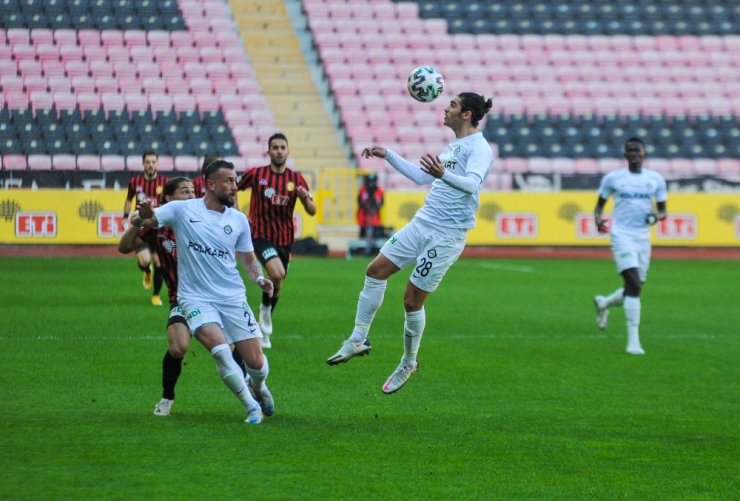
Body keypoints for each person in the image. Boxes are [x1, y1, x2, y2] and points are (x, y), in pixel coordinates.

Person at [326, 92, 494, 394]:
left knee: (411, 300)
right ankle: (358, 338)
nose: (446, 108)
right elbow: (421, 177)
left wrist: (443, 173)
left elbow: (472, 185)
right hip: (423, 222)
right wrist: (387, 154)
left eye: (453, 105)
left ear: (467, 114)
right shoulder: (454, 145)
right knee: (375, 271)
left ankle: (409, 362)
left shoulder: (480, 148)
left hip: (447, 235)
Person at [132, 159, 275, 424]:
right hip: (194, 298)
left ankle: (260, 388)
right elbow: (148, 219)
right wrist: (142, 213)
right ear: (211, 184)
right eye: (229, 181)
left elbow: (248, 259)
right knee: (220, 351)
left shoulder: (239, 220)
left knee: (255, 362)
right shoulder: (182, 209)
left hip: (232, 297)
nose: (235, 187)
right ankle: (251, 407)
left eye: (235, 181)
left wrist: (260, 279)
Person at [118, 177, 195, 416]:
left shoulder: (205, 219)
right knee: (178, 347)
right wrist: (139, 220)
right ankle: (167, 396)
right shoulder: (160, 227)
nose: (191, 196)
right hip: (181, 297)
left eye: (193, 191)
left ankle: (255, 390)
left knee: (237, 348)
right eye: (185, 192)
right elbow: (125, 246)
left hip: (214, 297)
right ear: (168, 199)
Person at [236, 132, 317, 348]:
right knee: (276, 273)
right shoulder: (256, 174)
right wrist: (236, 211)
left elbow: (312, 210)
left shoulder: (296, 179)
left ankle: (263, 328)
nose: (279, 151)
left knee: (278, 283)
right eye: (275, 147)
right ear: (268, 151)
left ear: (287, 151)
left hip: (284, 239)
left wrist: (304, 198)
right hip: (260, 236)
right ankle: (264, 310)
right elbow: (232, 187)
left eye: (282, 147)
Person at [593, 137, 667, 355]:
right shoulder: (614, 178)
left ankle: (604, 303)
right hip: (621, 235)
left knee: (634, 287)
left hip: (642, 238)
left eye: (638, 151)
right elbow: (599, 206)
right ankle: (633, 341)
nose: (634, 154)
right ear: (625, 156)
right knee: (633, 281)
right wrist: (598, 220)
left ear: (644, 154)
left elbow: (663, 211)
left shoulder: (655, 180)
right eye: (630, 151)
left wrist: (656, 216)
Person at [123, 151, 169, 306]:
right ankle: (146, 271)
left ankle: (155, 295)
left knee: (159, 263)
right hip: (142, 228)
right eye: (148, 162)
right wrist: (125, 218)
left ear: (157, 163)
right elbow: (129, 200)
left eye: (153, 162)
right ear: (143, 164)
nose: (150, 165)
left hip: (158, 229)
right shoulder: (135, 181)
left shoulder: (164, 182)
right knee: (144, 262)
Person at [357, 173, 385, 256]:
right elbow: (360, 202)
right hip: (364, 218)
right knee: (365, 234)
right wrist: (368, 207)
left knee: (375, 234)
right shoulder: (363, 190)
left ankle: (371, 251)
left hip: (375, 218)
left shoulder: (379, 191)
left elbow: (381, 203)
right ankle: (366, 251)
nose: (371, 184)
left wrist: (374, 208)